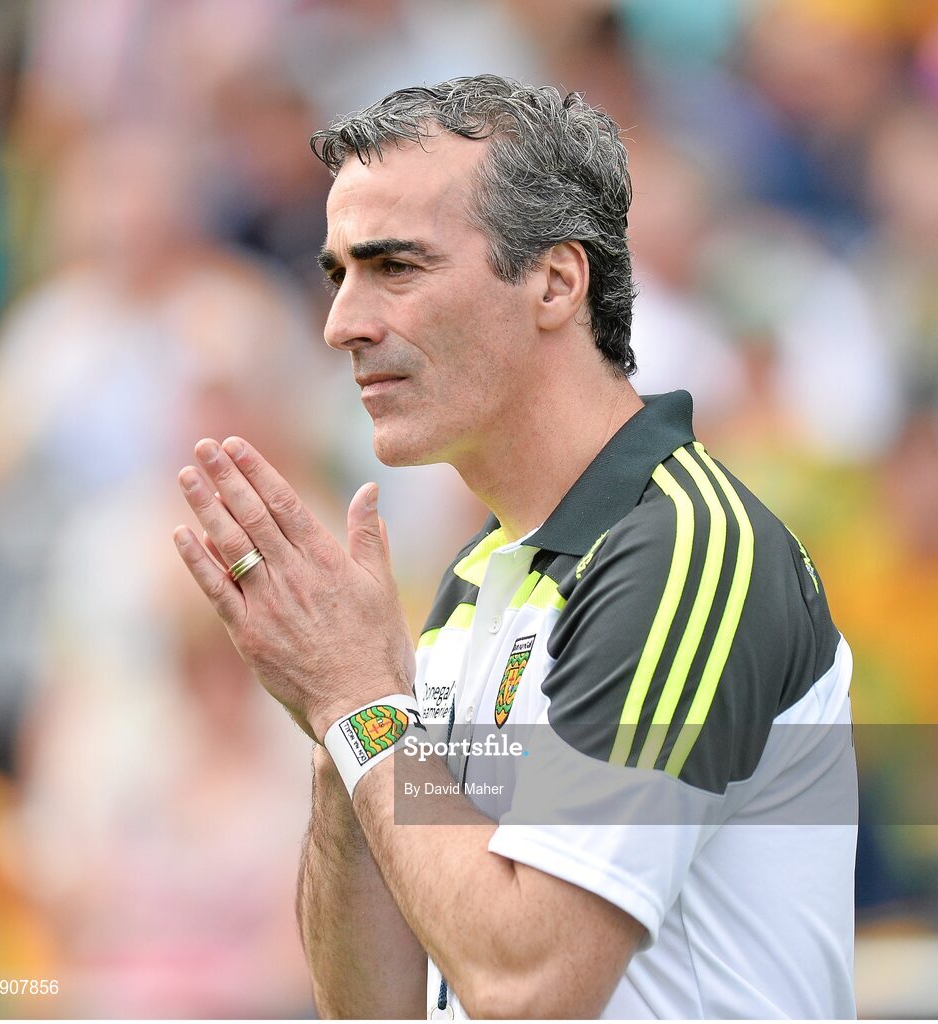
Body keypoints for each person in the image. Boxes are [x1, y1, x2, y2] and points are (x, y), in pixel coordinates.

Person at [173, 75, 857, 1019]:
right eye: (338, 276)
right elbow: (373, 1007)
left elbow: (530, 986)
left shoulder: (680, 551)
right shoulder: (475, 578)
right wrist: (344, 729)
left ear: (556, 282)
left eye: (395, 267)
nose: (341, 325)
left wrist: (356, 697)